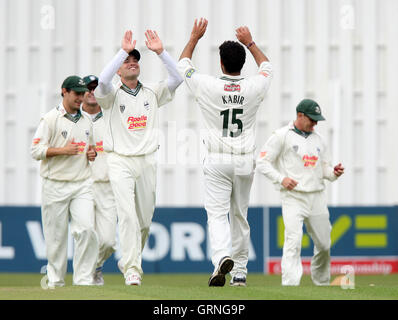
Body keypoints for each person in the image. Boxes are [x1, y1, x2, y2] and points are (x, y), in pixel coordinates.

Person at [177, 19, 273, 287]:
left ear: (221, 63)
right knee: (239, 214)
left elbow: (182, 65)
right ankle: (240, 272)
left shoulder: (208, 85)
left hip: (218, 159)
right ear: (241, 64)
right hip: (244, 159)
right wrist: (250, 42)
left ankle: (221, 257)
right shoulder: (254, 86)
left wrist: (194, 37)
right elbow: (267, 67)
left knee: (217, 215)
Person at [94, 29, 182, 286]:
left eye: (135, 59)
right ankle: (132, 268)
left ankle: (130, 259)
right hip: (119, 159)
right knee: (128, 216)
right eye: (127, 60)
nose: (132, 62)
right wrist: (121, 51)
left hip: (147, 160)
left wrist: (161, 53)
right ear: (119, 70)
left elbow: (178, 79)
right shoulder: (111, 94)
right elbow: (101, 80)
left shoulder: (152, 92)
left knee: (144, 222)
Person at [256, 99, 345, 286]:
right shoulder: (281, 136)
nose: (315, 123)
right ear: (299, 115)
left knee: (324, 244)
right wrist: (282, 179)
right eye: (311, 119)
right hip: (293, 196)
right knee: (293, 241)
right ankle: (290, 286)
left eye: (317, 120)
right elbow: (262, 162)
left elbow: (324, 170)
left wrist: (333, 173)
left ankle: (321, 282)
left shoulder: (319, 139)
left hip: (317, 197)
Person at [31, 75, 99, 287]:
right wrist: (63, 151)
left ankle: (84, 281)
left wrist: (91, 154)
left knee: (86, 229)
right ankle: (55, 282)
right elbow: (36, 151)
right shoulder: (50, 119)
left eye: (83, 93)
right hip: (55, 184)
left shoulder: (87, 119)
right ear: (64, 92)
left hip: (82, 184)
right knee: (56, 238)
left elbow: (91, 147)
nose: (81, 97)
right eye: (77, 93)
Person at [81, 75, 117, 285]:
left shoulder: (112, 116)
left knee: (108, 241)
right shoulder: (74, 118)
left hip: (107, 185)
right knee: (85, 233)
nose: (92, 92)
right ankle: (85, 274)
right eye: (88, 89)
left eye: (96, 88)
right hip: (83, 185)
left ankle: (95, 266)